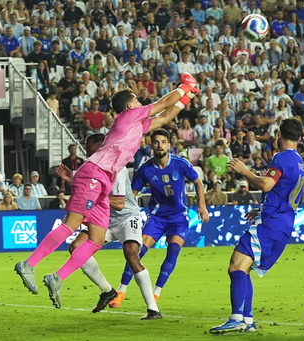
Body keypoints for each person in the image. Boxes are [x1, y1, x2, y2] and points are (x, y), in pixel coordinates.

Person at [14, 73, 199, 309]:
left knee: (96, 239)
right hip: (94, 173)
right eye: (137, 100)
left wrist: (186, 98)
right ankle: (28, 264)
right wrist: (185, 86)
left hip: (103, 180)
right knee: (71, 225)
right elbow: (162, 104)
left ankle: (57, 277)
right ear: (131, 105)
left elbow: (164, 117)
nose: (141, 104)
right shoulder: (130, 115)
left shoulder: (135, 123)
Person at [209, 118, 304, 334]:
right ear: (299, 138)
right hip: (282, 224)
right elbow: (280, 191)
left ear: (279, 135)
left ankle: (236, 318)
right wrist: (262, 207)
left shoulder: (281, 158)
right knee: (245, 269)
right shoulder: (300, 162)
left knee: (235, 265)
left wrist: (244, 170)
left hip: (270, 224)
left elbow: (266, 184)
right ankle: (248, 320)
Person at [58, 133, 162, 319]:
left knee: (131, 254)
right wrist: (73, 181)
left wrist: (91, 194)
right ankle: (107, 291)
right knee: (75, 248)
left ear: (101, 149)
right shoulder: (88, 168)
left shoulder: (117, 168)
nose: (86, 152)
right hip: (103, 219)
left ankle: (153, 309)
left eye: (89, 148)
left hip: (126, 218)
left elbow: (119, 203)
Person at [109, 129, 209, 308]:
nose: (160, 145)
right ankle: (121, 290)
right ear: (151, 145)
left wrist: (202, 206)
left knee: (173, 251)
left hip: (179, 217)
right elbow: (132, 194)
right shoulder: (145, 170)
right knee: (136, 252)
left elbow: (198, 183)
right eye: (156, 142)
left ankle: (156, 292)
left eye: (163, 142)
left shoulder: (180, 163)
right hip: (156, 217)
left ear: (169, 145)